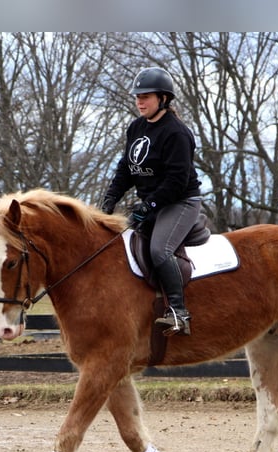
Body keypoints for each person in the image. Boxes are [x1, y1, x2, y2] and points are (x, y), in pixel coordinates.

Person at [100, 66, 202, 336]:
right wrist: (110, 198)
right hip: (154, 202)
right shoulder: (136, 127)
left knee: (159, 250)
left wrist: (149, 206)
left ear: (163, 99)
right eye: (137, 96)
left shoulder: (176, 133)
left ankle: (179, 313)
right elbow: (126, 169)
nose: (139, 101)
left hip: (180, 202)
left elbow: (176, 182)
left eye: (146, 96)